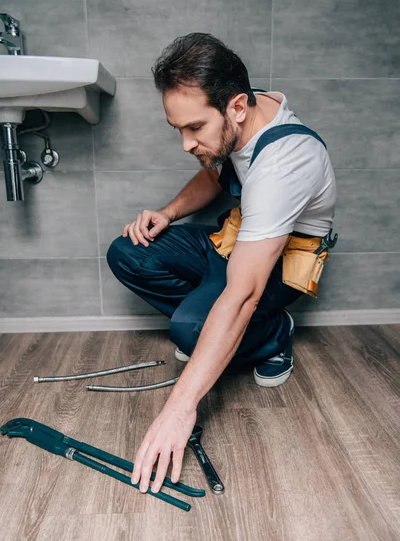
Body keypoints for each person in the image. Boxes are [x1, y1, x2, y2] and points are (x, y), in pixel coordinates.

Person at [107, 33, 336, 495]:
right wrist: (167, 214)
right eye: (179, 131)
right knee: (128, 251)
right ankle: (215, 329)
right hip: (235, 239)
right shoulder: (243, 111)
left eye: (194, 128)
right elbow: (215, 171)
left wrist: (180, 407)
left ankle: (275, 335)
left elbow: (244, 292)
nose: (186, 144)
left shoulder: (285, 164)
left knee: (192, 330)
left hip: (276, 263)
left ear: (235, 107)